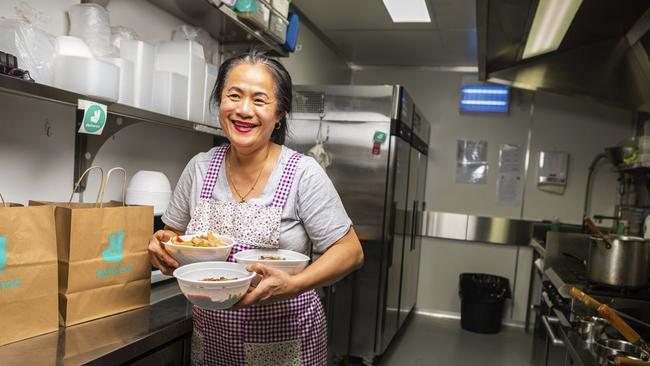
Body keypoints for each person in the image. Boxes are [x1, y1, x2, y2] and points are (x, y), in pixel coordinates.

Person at [148, 51, 364, 366]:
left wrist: (295, 284)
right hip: (213, 339)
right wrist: (161, 246)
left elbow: (351, 251)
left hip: (284, 340)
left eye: (260, 100)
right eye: (233, 96)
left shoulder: (302, 173)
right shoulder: (199, 168)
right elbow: (174, 236)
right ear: (220, 103)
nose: (243, 110)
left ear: (279, 114)